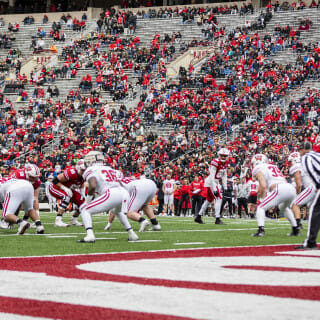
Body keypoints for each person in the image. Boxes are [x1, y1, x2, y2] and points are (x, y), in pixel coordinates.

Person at [78, 151, 138, 243]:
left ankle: (90, 235)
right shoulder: (109, 168)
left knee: (84, 209)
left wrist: (87, 200)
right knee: (116, 211)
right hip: (123, 192)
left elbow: (93, 185)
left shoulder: (91, 170)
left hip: (112, 193)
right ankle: (132, 234)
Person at [251, 154, 300, 237]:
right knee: (283, 207)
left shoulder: (258, 168)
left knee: (261, 207)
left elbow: (263, 185)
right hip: (289, 187)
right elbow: (283, 179)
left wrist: (262, 199)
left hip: (279, 188)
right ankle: (295, 229)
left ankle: (261, 230)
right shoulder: (273, 166)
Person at [194, 148, 230, 224]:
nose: (223, 157)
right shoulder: (215, 162)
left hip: (215, 182)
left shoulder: (226, 162)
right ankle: (217, 218)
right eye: (222, 155)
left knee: (209, 200)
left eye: (225, 156)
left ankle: (198, 216)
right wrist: (214, 189)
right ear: (219, 155)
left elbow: (224, 175)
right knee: (219, 198)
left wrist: (225, 186)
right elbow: (212, 176)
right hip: (211, 182)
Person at [295, 147, 320, 250]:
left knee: (315, 209)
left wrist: (318, 185)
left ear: (303, 150)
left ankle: (311, 242)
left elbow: (310, 170)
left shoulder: (306, 157)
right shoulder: (317, 155)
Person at [48, 160, 85, 227]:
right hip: (56, 187)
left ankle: (74, 220)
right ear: (78, 168)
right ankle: (58, 220)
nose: (84, 172)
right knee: (66, 197)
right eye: (82, 170)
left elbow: (81, 185)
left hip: (68, 189)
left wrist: (82, 193)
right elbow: (55, 181)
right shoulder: (72, 172)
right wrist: (64, 188)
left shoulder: (84, 175)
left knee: (82, 202)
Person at [289, 142, 314, 230]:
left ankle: (298, 224)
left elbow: (299, 185)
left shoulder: (296, 166)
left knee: (295, 204)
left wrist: (297, 193)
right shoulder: (307, 162)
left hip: (312, 188)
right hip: (316, 187)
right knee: (313, 207)